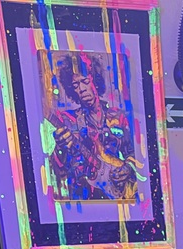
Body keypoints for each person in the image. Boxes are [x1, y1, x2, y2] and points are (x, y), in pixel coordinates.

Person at [49, 53, 139, 201]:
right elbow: (58, 169)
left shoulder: (118, 118)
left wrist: (128, 168)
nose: (82, 89)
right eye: (75, 85)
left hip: (120, 196)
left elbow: (135, 154)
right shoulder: (68, 120)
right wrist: (60, 148)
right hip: (84, 199)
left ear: (95, 81)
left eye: (85, 81)